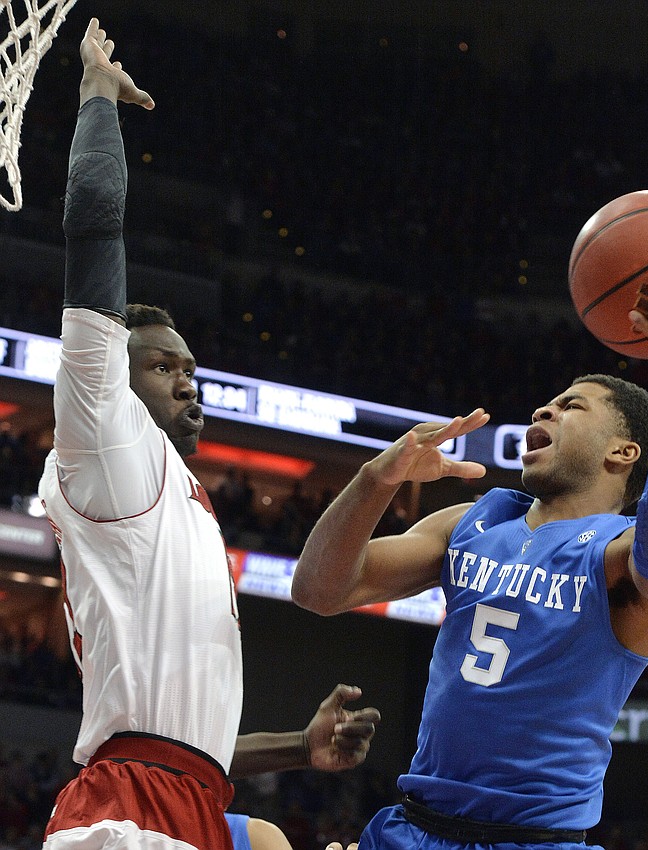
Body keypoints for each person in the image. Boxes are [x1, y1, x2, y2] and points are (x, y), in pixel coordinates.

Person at [38, 20, 379, 850]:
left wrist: (299, 748)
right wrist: (95, 100)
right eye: (163, 367)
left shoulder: (185, 500)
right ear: (117, 379)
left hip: (186, 795)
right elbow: (93, 231)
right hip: (126, 807)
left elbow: (194, 749)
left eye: (192, 368)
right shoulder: (106, 438)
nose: (187, 380)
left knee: (266, 836)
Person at [292, 258, 648, 850]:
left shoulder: (622, 552)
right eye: (548, 402)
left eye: (572, 406)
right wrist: (377, 478)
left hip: (530, 839)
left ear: (623, 453)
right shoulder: (474, 520)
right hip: (413, 827)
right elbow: (319, 590)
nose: (543, 410)